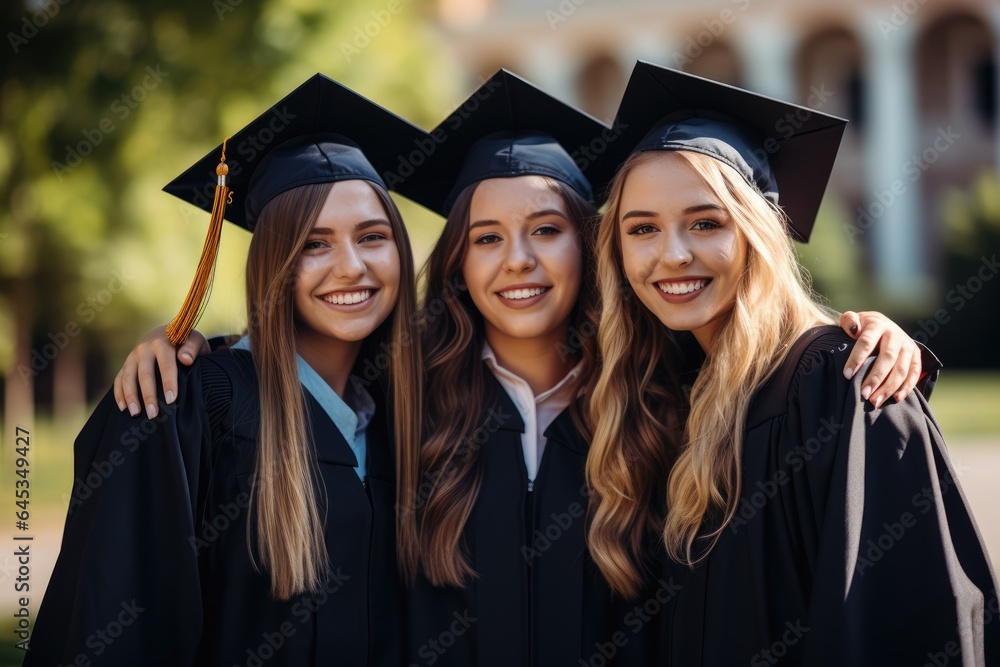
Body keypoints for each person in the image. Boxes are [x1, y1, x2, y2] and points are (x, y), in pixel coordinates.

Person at [113, 70, 927, 667]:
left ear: (589, 243)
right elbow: (295, 373)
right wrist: (189, 348)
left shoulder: (665, 390)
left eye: (547, 229)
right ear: (457, 260)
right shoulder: (400, 400)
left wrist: (868, 335)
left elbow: (760, 345)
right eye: (487, 237)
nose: (519, 262)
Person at [587, 61, 1000, 665]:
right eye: (642, 228)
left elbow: (913, 621)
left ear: (759, 234)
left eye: (706, 222)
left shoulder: (844, 384)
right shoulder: (660, 399)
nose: (672, 254)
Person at [25, 74, 424, 667]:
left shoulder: (410, 418)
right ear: (273, 264)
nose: (351, 267)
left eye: (373, 236)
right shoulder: (185, 406)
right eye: (313, 244)